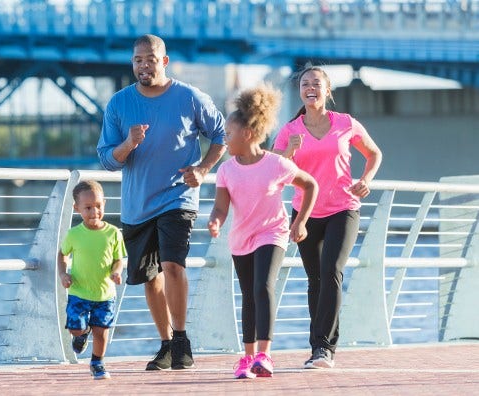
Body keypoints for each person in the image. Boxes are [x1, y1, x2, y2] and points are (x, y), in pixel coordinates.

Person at [97, 34, 227, 371]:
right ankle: (167, 343)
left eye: (151, 59)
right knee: (150, 277)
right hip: (137, 205)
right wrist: (128, 144)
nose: (144, 65)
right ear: (132, 63)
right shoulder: (119, 104)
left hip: (178, 197)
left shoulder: (189, 97)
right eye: (138, 60)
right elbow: (108, 160)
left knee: (173, 265)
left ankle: (181, 337)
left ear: (164, 61)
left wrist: (202, 168)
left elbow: (221, 135)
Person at [273, 65, 382, 369]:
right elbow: (274, 171)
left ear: (327, 90)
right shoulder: (289, 130)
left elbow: (374, 154)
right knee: (315, 280)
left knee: (331, 270)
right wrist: (288, 154)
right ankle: (317, 345)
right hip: (305, 213)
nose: (311, 88)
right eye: (305, 84)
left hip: (343, 209)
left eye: (316, 84)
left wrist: (366, 179)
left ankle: (324, 348)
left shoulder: (346, 123)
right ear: (300, 90)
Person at [208, 84, 318, 379]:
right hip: (241, 238)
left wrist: (301, 222)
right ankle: (246, 359)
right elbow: (221, 207)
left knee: (262, 287)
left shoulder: (276, 164)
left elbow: (310, 185)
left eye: (228, 134)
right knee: (248, 295)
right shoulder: (226, 170)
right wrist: (216, 221)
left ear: (247, 134)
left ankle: (264, 355)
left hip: (273, 233)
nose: (225, 140)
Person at [57, 180, 126, 380]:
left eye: (98, 206)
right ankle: (82, 333)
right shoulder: (74, 234)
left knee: (102, 330)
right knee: (74, 328)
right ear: (76, 208)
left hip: (105, 293)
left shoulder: (113, 233)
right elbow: (62, 255)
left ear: (104, 203)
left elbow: (118, 259)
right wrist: (63, 274)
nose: (94, 212)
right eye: (88, 208)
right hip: (79, 291)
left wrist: (117, 272)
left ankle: (97, 362)